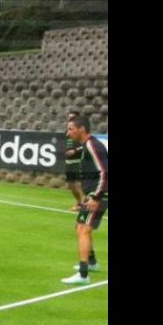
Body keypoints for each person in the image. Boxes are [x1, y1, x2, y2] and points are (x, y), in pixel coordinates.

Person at [60, 114, 108, 285]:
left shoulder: (93, 145)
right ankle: (92, 262)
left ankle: (83, 274)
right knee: (80, 226)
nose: (68, 133)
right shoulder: (89, 144)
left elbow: (105, 172)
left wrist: (96, 197)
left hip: (97, 195)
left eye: (71, 129)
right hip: (93, 194)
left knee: (83, 229)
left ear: (82, 129)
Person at [64, 111, 86, 211]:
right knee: (70, 184)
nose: (70, 119)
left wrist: (75, 150)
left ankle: (84, 204)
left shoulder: (82, 131)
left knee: (79, 184)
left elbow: (86, 145)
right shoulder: (67, 131)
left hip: (79, 160)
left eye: (72, 118)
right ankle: (79, 203)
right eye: (69, 118)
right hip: (69, 162)